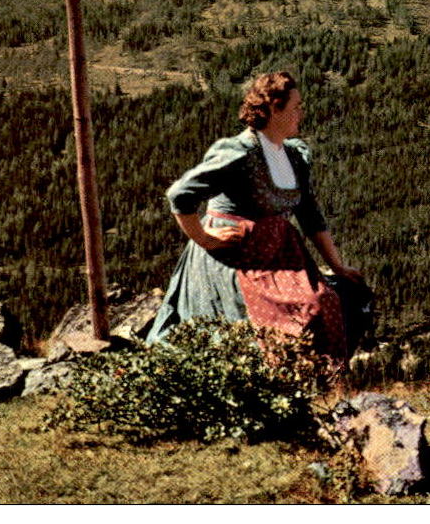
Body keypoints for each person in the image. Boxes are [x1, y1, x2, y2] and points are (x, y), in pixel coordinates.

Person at [145, 71, 363, 362]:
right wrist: (203, 237)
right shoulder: (239, 153)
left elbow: (310, 214)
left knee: (324, 303)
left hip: (278, 254)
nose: (301, 112)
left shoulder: (294, 155)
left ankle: (316, 387)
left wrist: (337, 265)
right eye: (296, 106)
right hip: (236, 254)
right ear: (274, 108)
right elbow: (180, 195)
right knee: (282, 320)